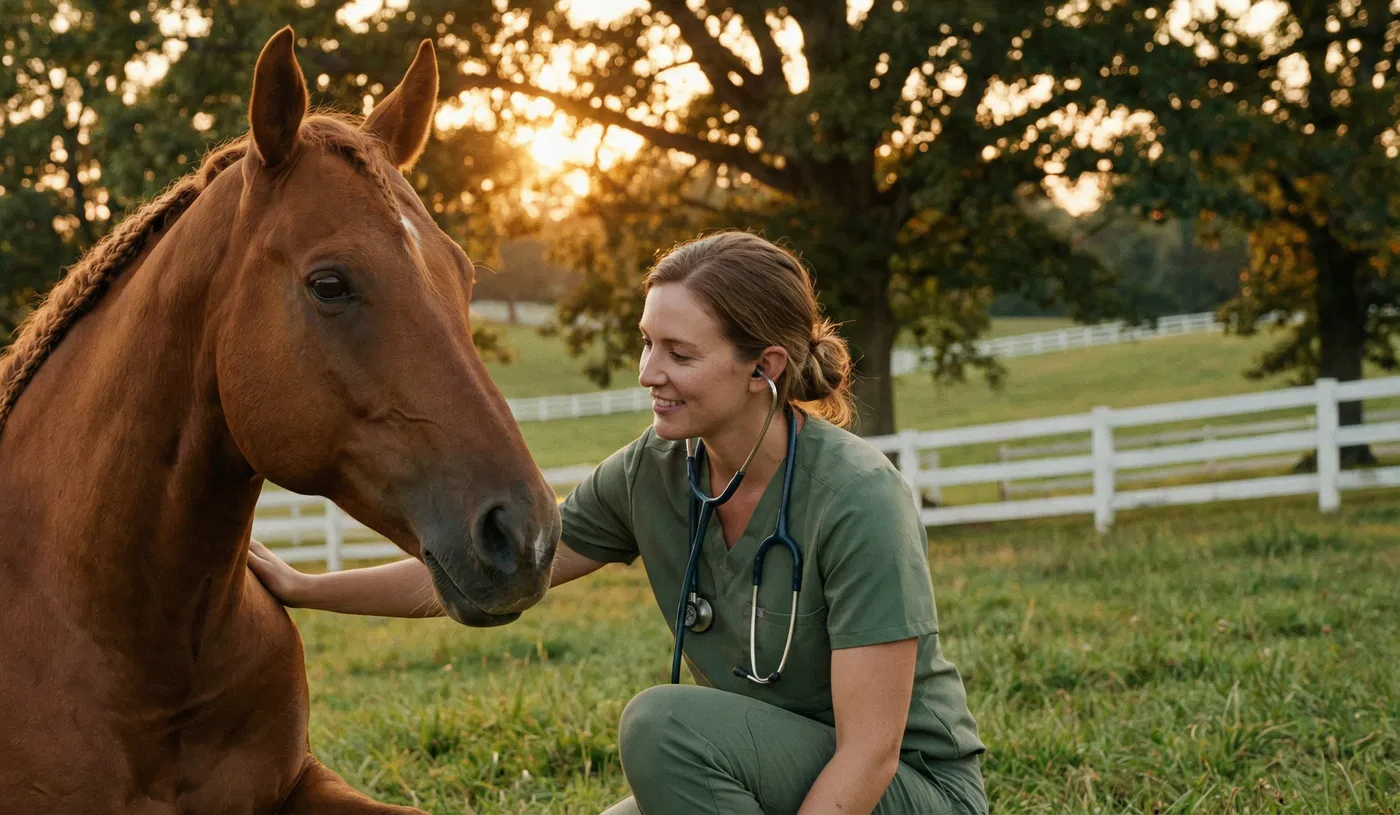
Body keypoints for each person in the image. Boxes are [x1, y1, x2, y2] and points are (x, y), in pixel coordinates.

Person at [248, 230, 988, 814]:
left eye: (679, 352)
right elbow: (501, 566)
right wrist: (305, 587)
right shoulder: (653, 473)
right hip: (768, 776)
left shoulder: (858, 497)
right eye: (646, 342)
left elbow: (870, 755)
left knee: (663, 725)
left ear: (762, 366)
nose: (647, 372)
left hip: (908, 793)